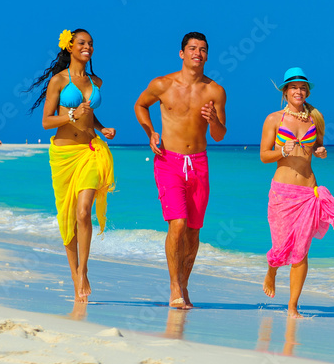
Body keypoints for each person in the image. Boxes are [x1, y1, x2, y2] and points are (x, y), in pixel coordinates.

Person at [261, 67, 334, 318]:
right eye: (294, 87)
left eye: (303, 87)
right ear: (285, 91)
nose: (299, 91)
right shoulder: (274, 119)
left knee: (301, 251)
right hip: (282, 193)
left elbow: (317, 147)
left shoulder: (315, 118)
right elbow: (264, 156)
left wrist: (321, 151)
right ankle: (272, 270)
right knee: (281, 246)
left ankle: (293, 306)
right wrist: (283, 150)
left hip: (309, 191)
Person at [134, 32, 226, 309]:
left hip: (199, 163)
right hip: (169, 161)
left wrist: (213, 122)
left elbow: (220, 134)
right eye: (193, 48)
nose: (198, 53)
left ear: (207, 55)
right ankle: (174, 287)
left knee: (194, 231)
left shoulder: (215, 91)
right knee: (178, 223)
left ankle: (184, 285)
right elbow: (140, 105)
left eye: (203, 49)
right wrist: (150, 132)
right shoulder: (162, 84)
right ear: (182, 53)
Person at [27, 29, 116, 303]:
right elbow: (46, 122)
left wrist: (102, 127)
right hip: (64, 155)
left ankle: (84, 270)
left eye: (90, 43)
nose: (87, 46)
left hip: (91, 150)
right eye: (82, 43)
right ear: (70, 47)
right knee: (67, 216)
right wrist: (71, 116)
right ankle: (74, 273)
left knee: (83, 211)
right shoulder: (58, 81)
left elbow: (89, 114)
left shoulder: (96, 80)